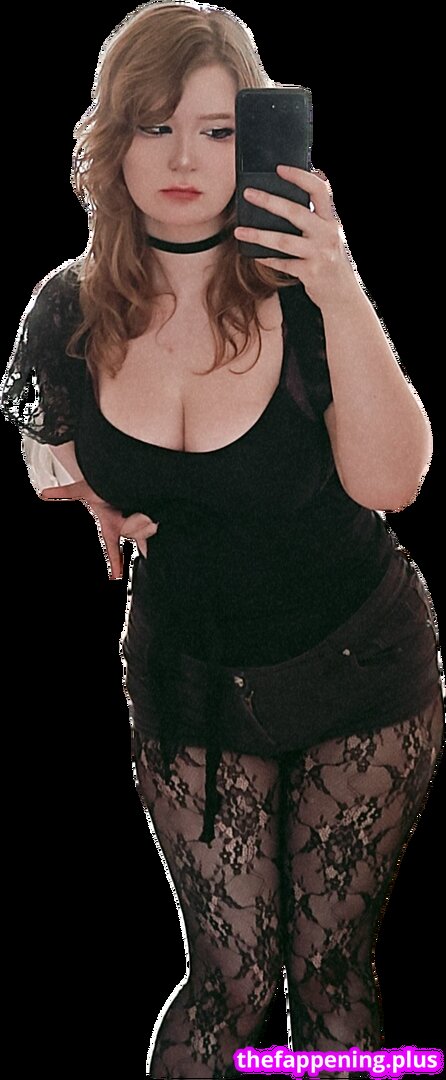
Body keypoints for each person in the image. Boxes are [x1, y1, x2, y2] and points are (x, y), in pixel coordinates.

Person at [1, 3, 444, 1077]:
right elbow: (37, 427)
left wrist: (337, 278)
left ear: (255, 142)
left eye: (214, 129)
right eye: (153, 127)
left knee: (328, 972)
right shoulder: (70, 308)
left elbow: (392, 482)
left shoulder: (306, 297)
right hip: (188, 674)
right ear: (113, 142)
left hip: (356, 665)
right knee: (229, 983)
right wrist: (84, 493)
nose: (182, 159)